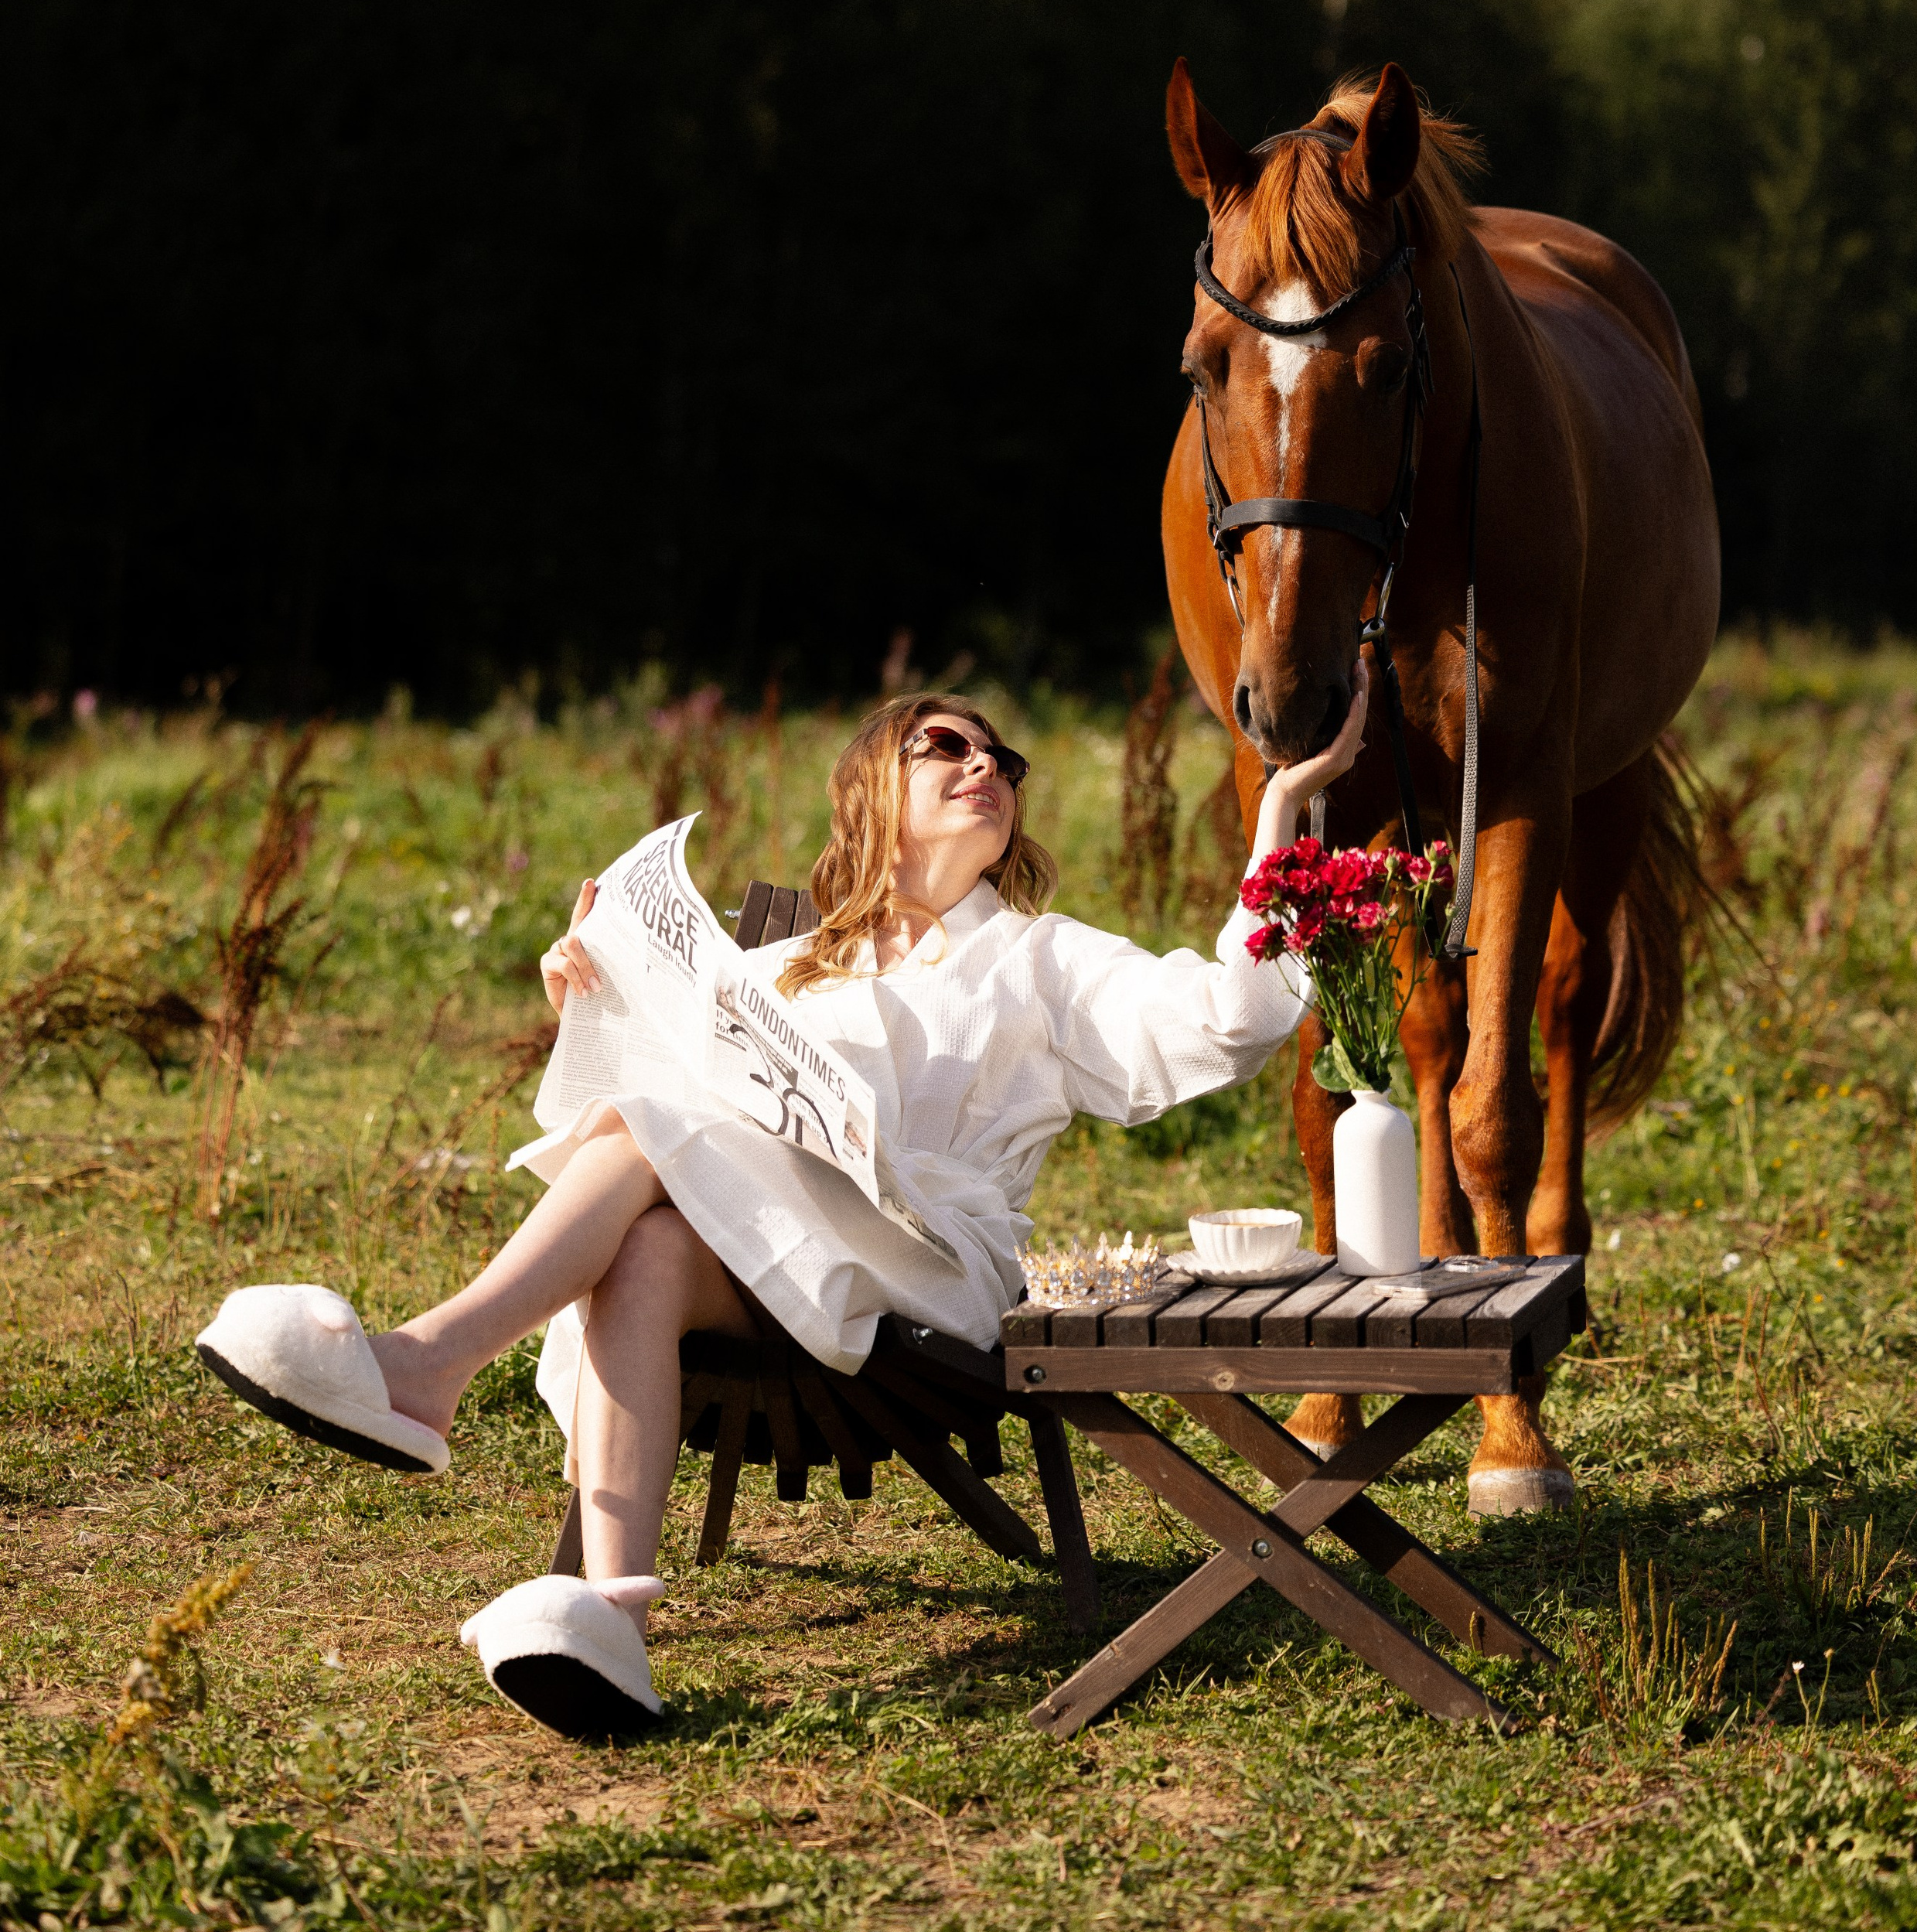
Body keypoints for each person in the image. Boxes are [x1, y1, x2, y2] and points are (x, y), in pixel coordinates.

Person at [196, 672, 1369, 1739]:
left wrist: (1282, 808)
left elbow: (1233, 1018)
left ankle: (426, 1364)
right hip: (772, 1261)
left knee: (663, 1131)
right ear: (871, 790)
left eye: (1004, 761)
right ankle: (612, 1616)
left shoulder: (1044, 963)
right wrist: (588, 1004)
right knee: (650, 1247)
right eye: (947, 746)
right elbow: (636, 1110)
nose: (988, 768)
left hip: (931, 1264)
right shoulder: (785, 965)